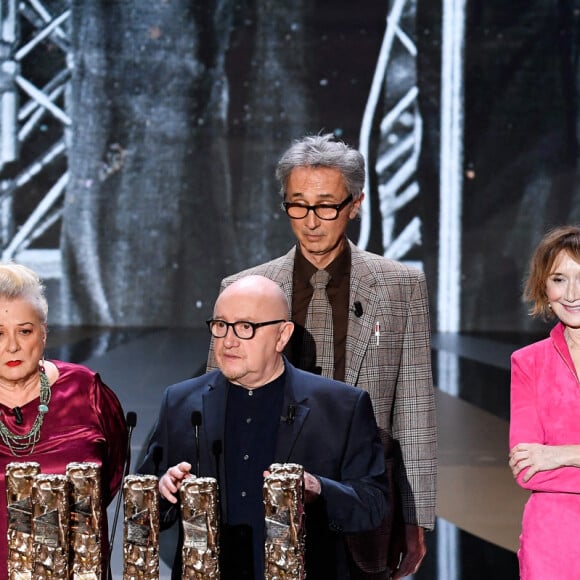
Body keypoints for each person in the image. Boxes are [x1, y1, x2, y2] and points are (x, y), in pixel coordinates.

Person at [207, 133, 437, 579]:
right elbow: (218, 399)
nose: (311, 221)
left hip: (362, 494)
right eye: (298, 205)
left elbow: (413, 410)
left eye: (326, 206)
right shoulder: (245, 287)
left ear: (355, 204)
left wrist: (415, 517)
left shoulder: (399, 286)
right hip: (259, 489)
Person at [138, 275, 388, 580]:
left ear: (282, 336)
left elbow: (373, 506)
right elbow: (142, 507)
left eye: (246, 327)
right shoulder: (179, 401)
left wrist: (319, 489)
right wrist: (164, 491)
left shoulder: (341, 406)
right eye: (220, 325)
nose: (228, 340)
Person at [0, 262, 128, 579]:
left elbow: (110, 478)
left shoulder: (86, 391)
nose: (12, 346)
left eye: (24, 331)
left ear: (44, 333)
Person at [509, 225, 580, 579]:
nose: (573, 294)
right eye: (559, 279)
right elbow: (526, 469)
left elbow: (543, 460)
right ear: (544, 287)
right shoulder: (528, 362)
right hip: (553, 539)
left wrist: (560, 454)